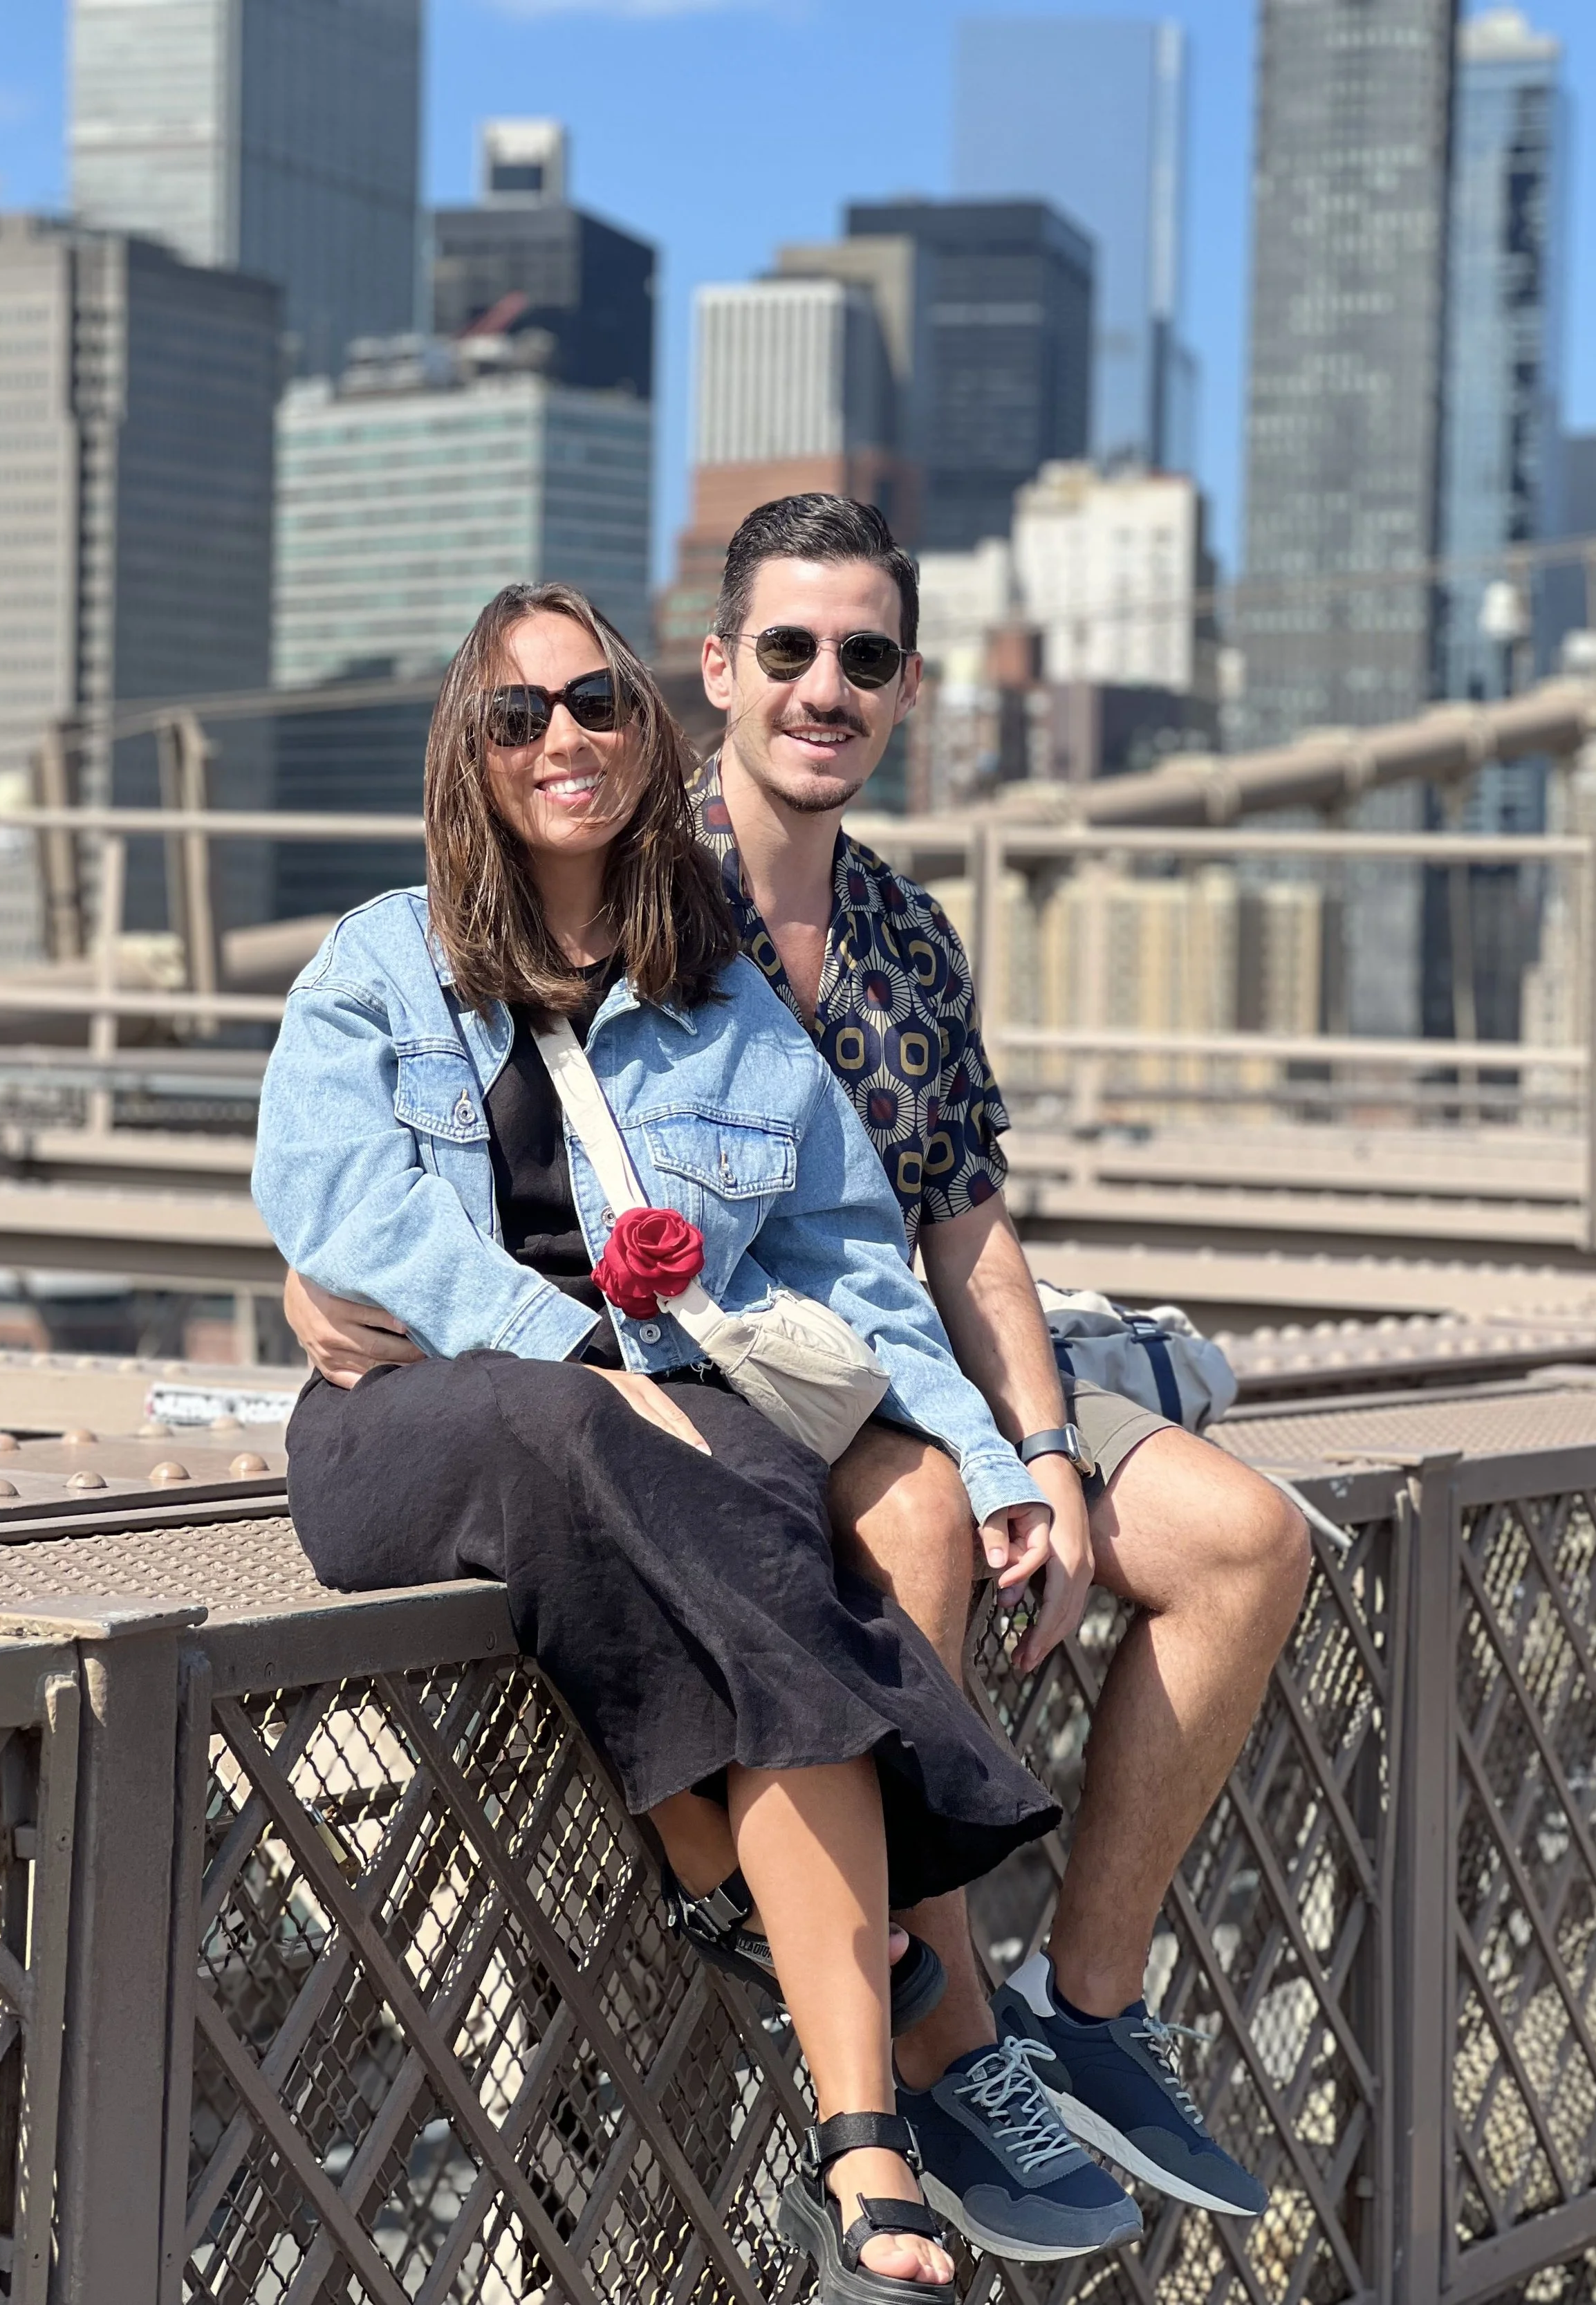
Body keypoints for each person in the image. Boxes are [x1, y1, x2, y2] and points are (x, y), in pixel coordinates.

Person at [284, 501, 1314, 2259]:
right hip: (589, 1392)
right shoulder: (512, 911)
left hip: (774, 1377)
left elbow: (921, 1232)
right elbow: (343, 1191)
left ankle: (1059, 2018)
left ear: (905, 687)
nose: (562, 744)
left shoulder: (874, 941)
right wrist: (402, 1294)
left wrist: (1028, 1455)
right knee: (839, 1491)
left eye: (864, 657)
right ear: (718, 673)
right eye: (787, 650)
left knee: (1217, 1535)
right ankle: (923, 2023)